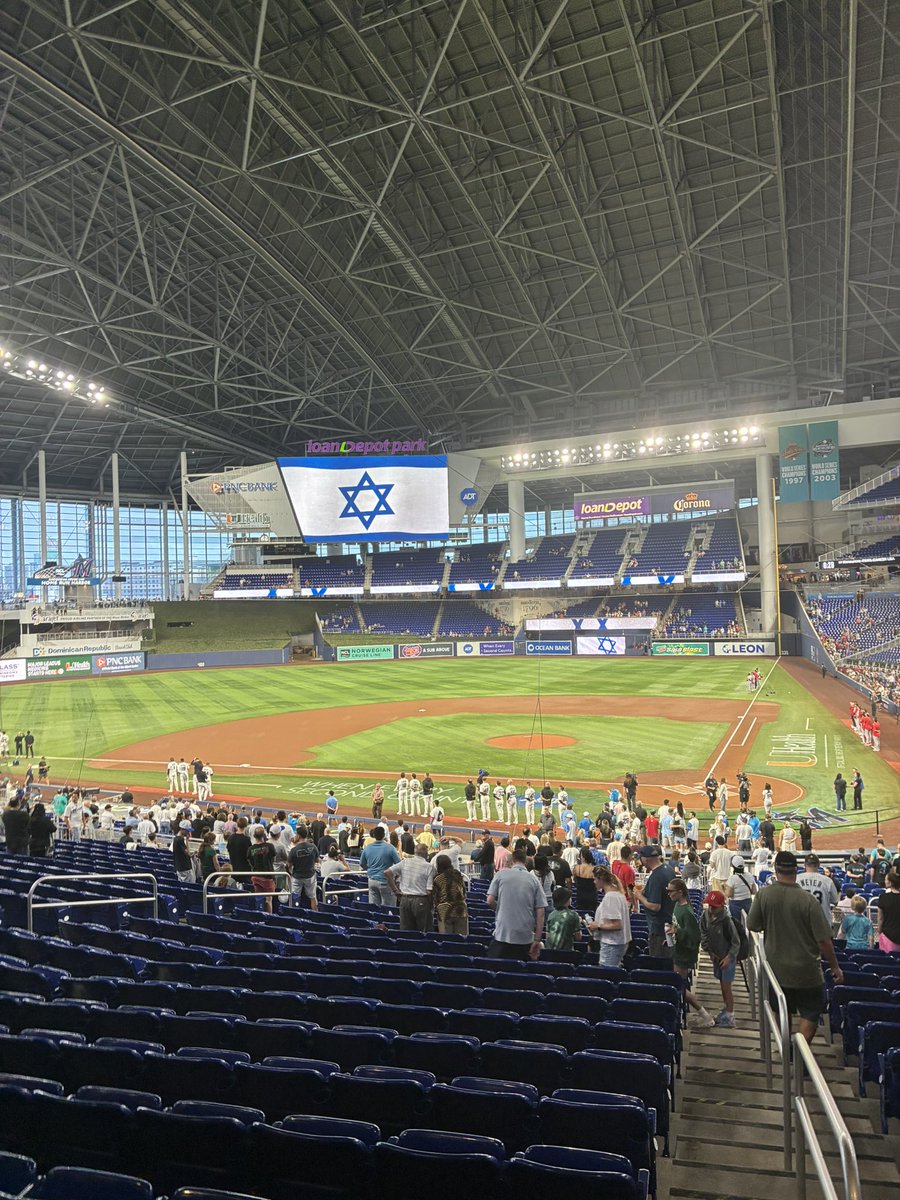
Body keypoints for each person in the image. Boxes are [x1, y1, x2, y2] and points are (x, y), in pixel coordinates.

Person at [747, 850, 843, 1043]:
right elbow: (824, 940)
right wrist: (834, 966)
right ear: (796, 869)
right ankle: (800, 1049)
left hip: (776, 969)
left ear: (775, 869)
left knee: (780, 1009)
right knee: (810, 1013)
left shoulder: (764, 894)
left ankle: (786, 1048)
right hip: (807, 969)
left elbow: (752, 925)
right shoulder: (808, 900)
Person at [667, 877, 714, 1028]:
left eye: (670, 891)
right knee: (679, 986)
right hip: (678, 950)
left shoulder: (687, 912)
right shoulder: (677, 906)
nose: (668, 894)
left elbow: (694, 936)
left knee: (680, 988)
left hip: (684, 955)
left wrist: (677, 932)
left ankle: (704, 1014)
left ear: (680, 892)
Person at [486, 847, 547, 960]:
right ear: (525, 862)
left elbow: (489, 901)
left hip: (502, 933)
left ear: (512, 861)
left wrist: (499, 908)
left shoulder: (500, 875)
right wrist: (537, 940)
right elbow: (541, 911)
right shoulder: (534, 880)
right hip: (524, 937)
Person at [700, 890, 742, 1028]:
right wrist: (710, 951)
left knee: (727, 987)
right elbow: (704, 932)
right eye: (710, 906)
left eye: (715, 906)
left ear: (722, 906)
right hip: (716, 957)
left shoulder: (727, 921)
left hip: (727, 958)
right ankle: (726, 1008)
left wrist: (730, 958)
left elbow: (736, 942)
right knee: (722, 985)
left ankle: (730, 1015)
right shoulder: (706, 915)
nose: (711, 909)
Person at [633, 845, 676, 957]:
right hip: (669, 923)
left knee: (659, 962)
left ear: (645, 859)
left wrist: (638, 895)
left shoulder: (656, 876)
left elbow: (655, 906)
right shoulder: (667, 869)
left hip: (659, 928)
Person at [386, 844, 435, 932]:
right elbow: (429, 891)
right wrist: (431, 904)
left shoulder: (405, 862)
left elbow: (387, 873)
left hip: (405, 899)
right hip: (421, 901)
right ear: (426, 854)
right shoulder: (429, 867)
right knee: (424, 931)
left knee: (406, 932)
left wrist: (395, 891)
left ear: (415, 852)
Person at [588, 866, 631, 967]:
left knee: (607, 973)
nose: (594, 882)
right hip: (615, 943)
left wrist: (597, 926)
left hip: (612, 944)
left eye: (595, 879)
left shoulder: (611, 897)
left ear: (600, 879)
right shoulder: (618, 894)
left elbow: (617, 925)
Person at [359, 825, 401, 907]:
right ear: (384, 835)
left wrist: (370, 869)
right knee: (388, 908)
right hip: (385, 881)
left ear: (374, 835)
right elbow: (399, 864)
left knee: (374, 908)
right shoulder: (390, 848)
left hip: (371, 880)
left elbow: (362, 863)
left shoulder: (368, 848)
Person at [431, 853, 469, 934]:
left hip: (444, 911)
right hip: (461, 909)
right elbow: (464, 892)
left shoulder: (437, 879)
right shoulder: (458, 874)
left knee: (447, 939)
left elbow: (435, 897)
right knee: (461, 938)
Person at [796, 853, 838, 923]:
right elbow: (835, 901)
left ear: (805, 865)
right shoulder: (827, 881)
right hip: (823, 923)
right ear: (818, 865)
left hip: (802, 923)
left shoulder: (796, 879)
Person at [248, 827, 278, 913]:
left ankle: (259, 915)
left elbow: (251, 862)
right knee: (268, 900)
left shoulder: (250, 849)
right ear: (264, 835)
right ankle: (269, 917)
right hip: (268, 876)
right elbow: (273, 859)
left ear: (254, 836)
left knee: (259, 898)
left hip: (256, 876)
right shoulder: (270, 846)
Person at [288, 827, 319, 909]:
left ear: (298, 835)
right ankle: (315, 914)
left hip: (297, 876)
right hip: (310, 875)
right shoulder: (313, 847)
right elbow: (317, 860)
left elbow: (289, 865)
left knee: (294, 897)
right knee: (313, 897)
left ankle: (294, 914)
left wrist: (290, 873)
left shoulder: (294, 850)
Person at [545, 886, 582, 952]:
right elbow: (578, 938)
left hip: (549, 952)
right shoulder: (574, 915)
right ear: (566, 900)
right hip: (566, 953)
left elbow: (547, 936)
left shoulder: (551, 915)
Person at [724, 854, 757, 919]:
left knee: (737, 924)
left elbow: (729, 894)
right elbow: (754, 891)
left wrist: (725, 888)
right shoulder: (750, 875)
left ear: (733, 866)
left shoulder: (732, 878)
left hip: (735, 904)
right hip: (748, 902)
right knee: (747, 922)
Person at [876, 871, 900, 952]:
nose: (885, 881)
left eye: (886, 879)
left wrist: (879, 932)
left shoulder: (883, 898)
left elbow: (880, 918)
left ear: (890, 882)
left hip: (887, 935)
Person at [572, 845, 598, 910]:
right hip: (592, 896)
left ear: (583, 858)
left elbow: (574, 880)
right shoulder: (595, 869)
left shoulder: (577, 868)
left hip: (580, 896)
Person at [226, 817, 252, 883]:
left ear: (237, 825)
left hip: (234, 869)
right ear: (246, 826)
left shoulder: (231, 838)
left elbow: (228, 850)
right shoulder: (247, 840)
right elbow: (249, 855)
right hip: (244, 871)